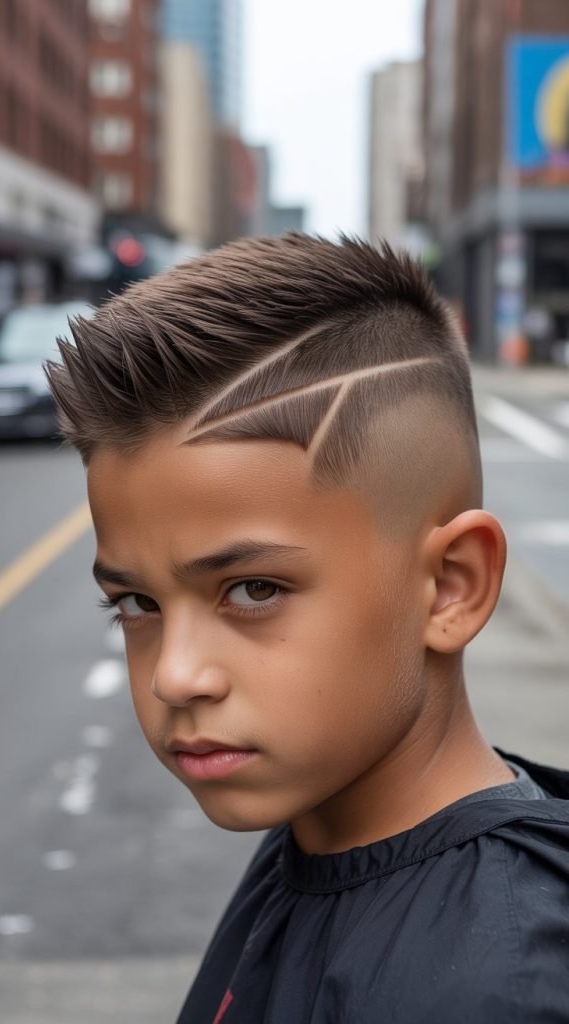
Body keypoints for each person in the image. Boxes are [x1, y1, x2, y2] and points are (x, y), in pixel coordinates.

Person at [46, 235, 569, 1023]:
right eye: (137, 604)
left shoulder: (494, 989)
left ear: (451, 587)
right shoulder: (321, 830)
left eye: (253, 590)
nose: (174, 676)